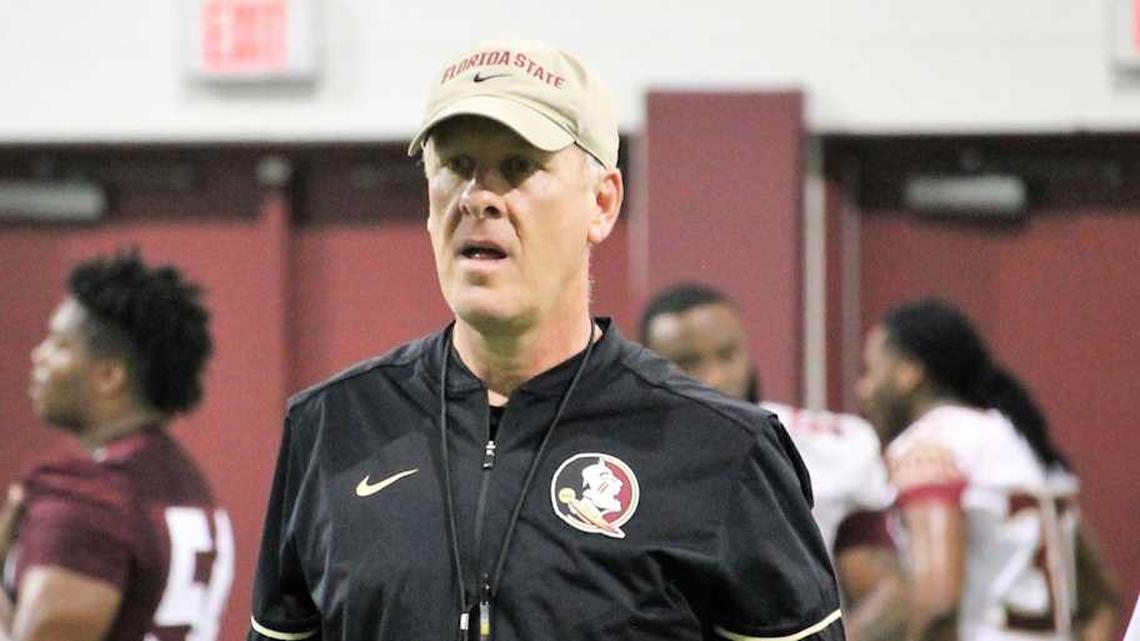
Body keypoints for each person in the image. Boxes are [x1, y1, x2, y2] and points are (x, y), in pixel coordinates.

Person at [248, 39, 844, 641]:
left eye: (518, 167)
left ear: (602, 203)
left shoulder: (721, 447)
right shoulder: (331, 427)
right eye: (455, 166)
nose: (478, 197)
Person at [641, 283, 906, 641]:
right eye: (689, 361)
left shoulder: (819, 448)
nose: (715, 376)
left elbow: (888, 593)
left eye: (727, 354)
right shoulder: (621, 463)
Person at [0, 252, 234, 641]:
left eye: (59, 345)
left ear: (109, 375)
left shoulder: (89, 496)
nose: (38, 356)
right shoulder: (186, 481)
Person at [856, 298, 1120, 641]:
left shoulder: (931, 445)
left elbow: (938, 605)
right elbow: (1102, 602)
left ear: (909, 372)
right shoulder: (1022, 443)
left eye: (870, 371)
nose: (863, 389)